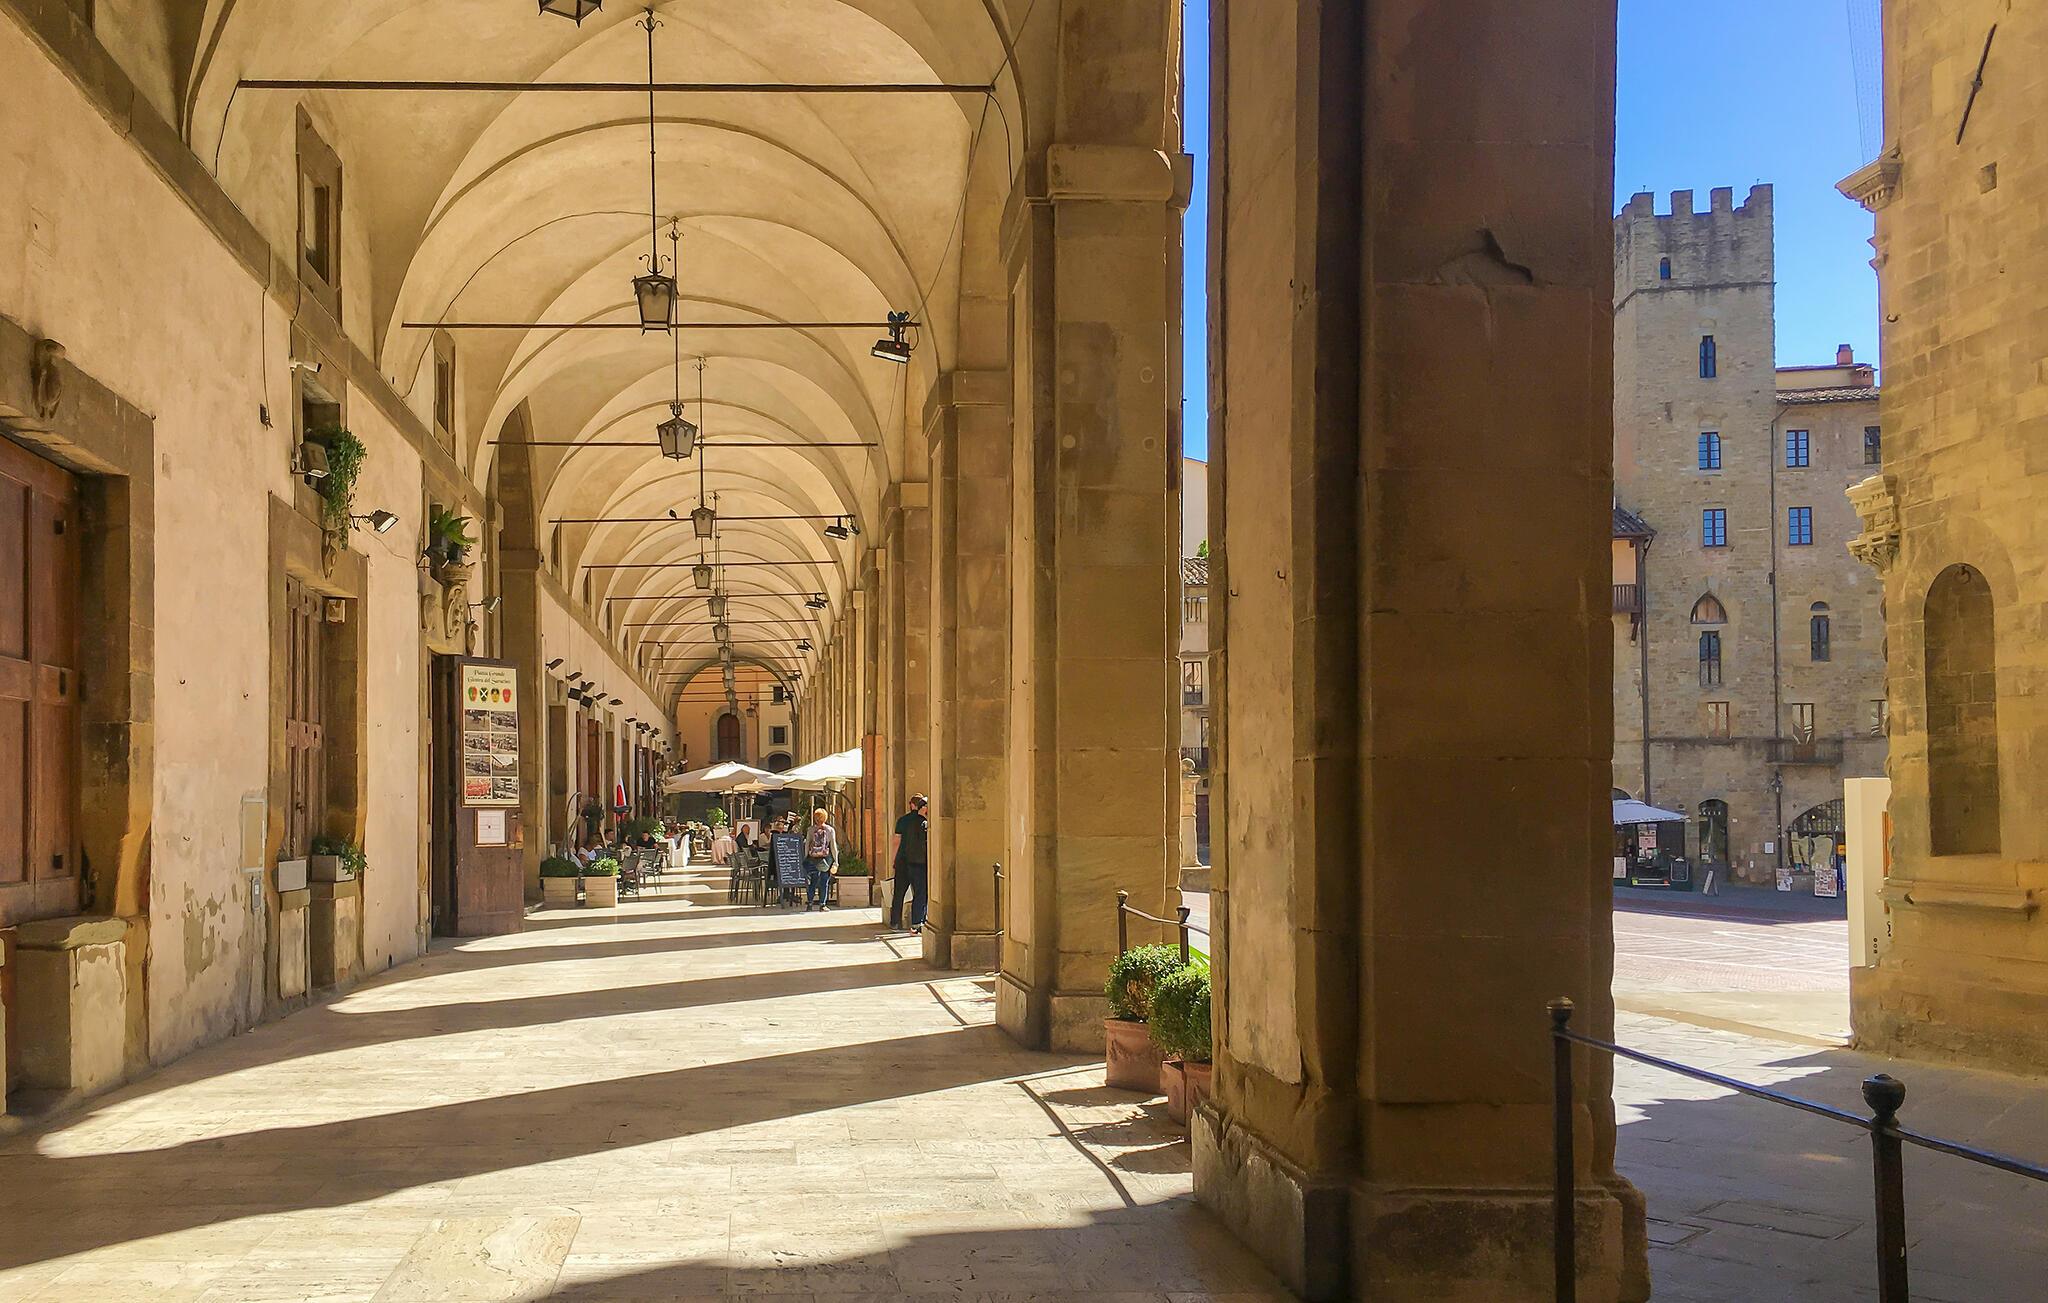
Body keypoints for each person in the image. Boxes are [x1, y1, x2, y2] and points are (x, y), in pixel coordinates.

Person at [888, 794, 929, 931]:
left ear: (911, 805)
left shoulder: (903, 820)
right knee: (920, 892)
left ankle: (895, 922)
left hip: (902, 860)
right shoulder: (924, 822)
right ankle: (917, 921)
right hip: (918, 862)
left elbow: (896, 841)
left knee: (899, 893)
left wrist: (893, 859)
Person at [803, 807, 839, 911]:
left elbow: (807, 844)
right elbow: (833, 846)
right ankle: (822, 904)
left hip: (813, 858)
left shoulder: (811, 830)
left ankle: (810, 903)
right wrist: (836, 861)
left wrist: (806, 857)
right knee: (824, 881)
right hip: (825, 858)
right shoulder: (830, 830)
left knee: (813, 881)